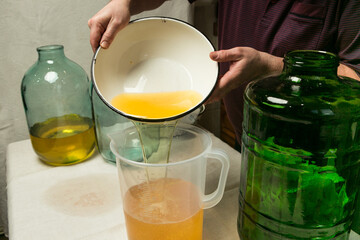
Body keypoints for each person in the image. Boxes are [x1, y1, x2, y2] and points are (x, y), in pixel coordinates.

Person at [88, 0, 360, 150]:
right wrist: (126, 3)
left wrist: (272, 67)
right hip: (248, 141)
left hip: (319, 157)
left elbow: (355, 77)